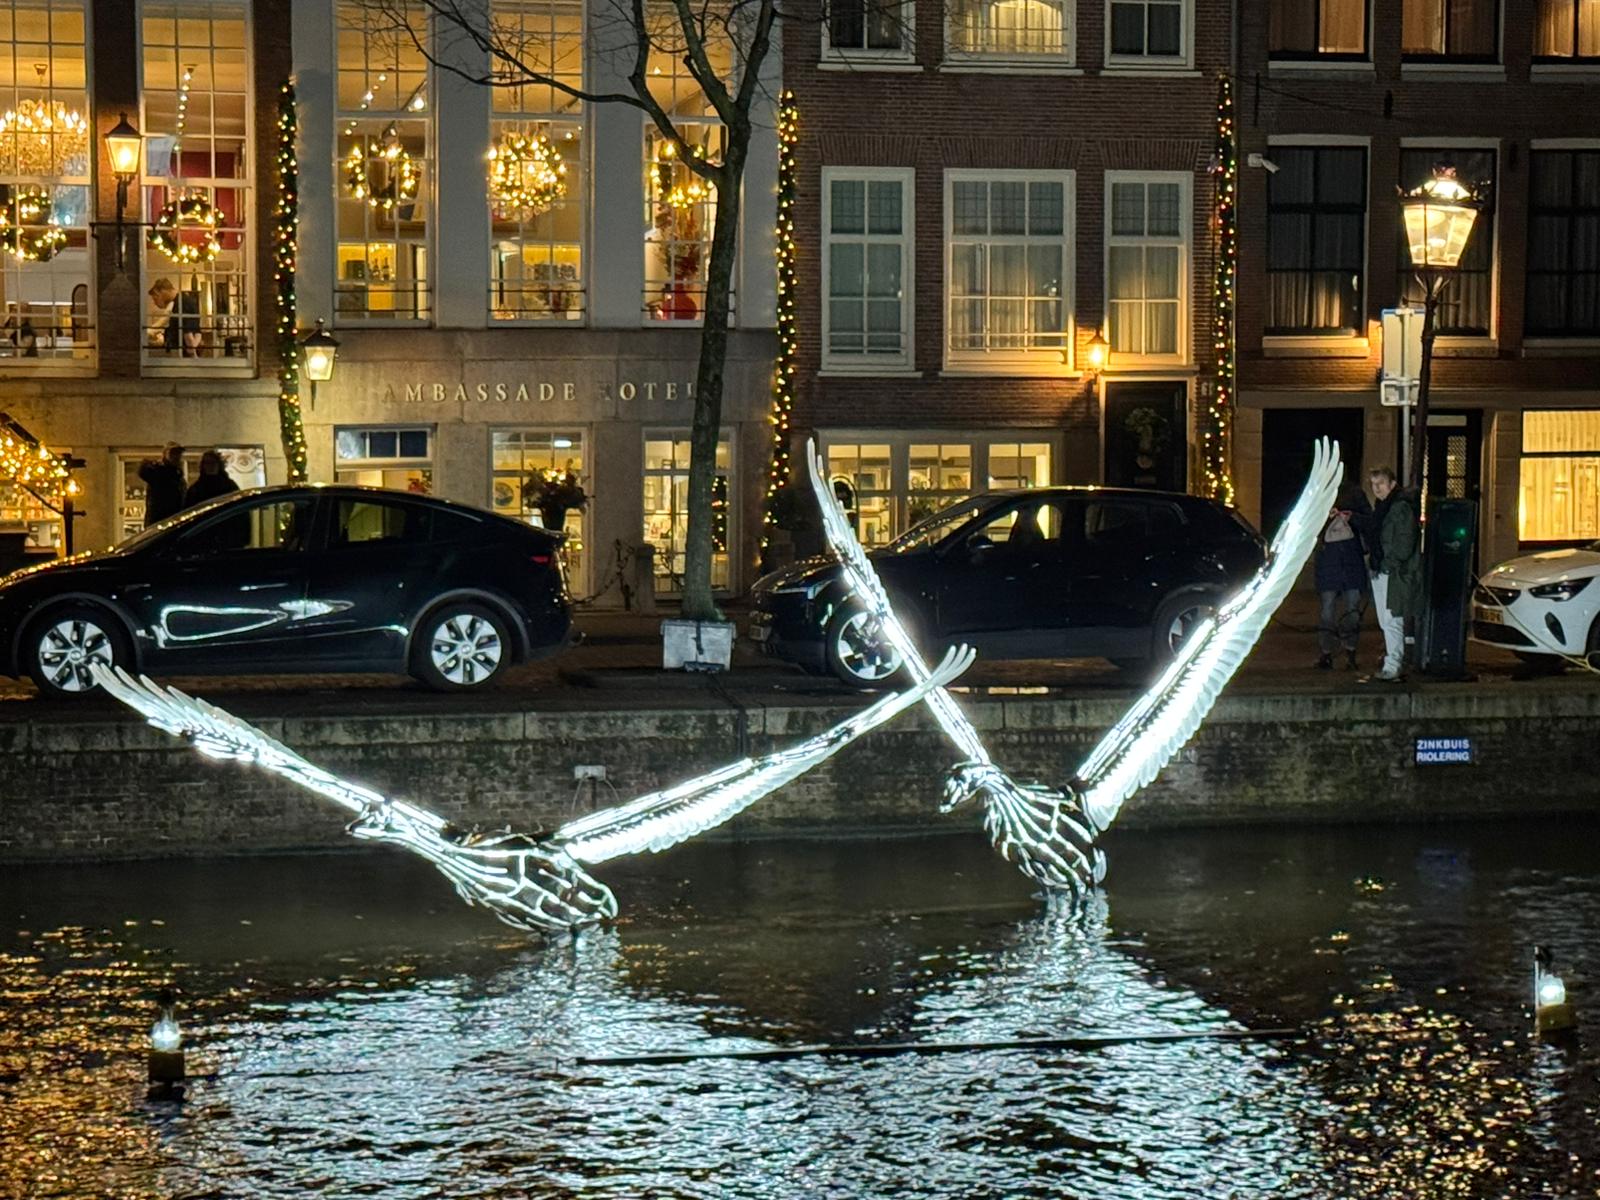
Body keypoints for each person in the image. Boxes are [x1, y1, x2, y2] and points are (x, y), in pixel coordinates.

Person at [1358, 466, 1421, 684]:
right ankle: (1392, 662)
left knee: (1392, 618)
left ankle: (1393, 664)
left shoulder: (1399, 508)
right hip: (1382, 568)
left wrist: (1388, 563)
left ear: (1392, 484)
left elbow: (1403, 543)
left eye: (1380, 484)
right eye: (1373, 484)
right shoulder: (1386, 506)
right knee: (1388, 619)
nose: (1376, 489)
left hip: (1392, 572)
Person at [1314, 481, 1371, 670]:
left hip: (1335, 561)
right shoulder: (1349, 492)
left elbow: (1368, 522)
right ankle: (1342, 653)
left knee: (1338, 610)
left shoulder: (1327, 491)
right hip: (1344, 560)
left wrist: (1350, 518)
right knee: (1339, 609)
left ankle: (1336, 653)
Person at [139, 442, 187, 527]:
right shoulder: (158, 472)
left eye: (178, 453)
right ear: (165, 454)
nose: (176, 456)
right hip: (159, 524)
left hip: (174, 522)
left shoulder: (178, 475)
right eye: (172, 453)